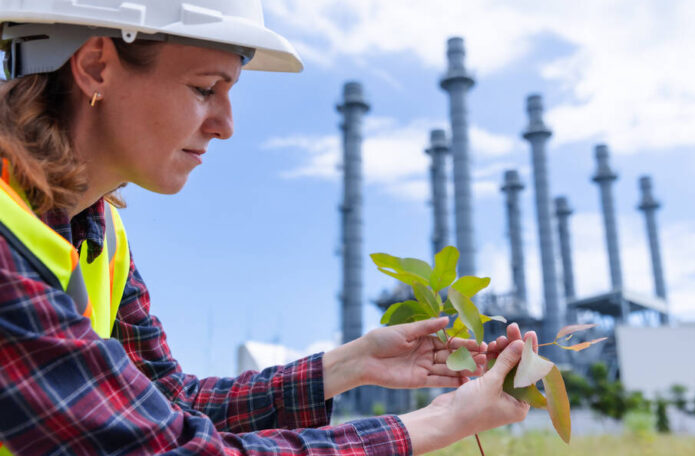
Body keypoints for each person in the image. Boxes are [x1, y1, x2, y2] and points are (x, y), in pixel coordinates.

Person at [0, 1, 538, 454]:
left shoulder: (98, 235)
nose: (226, 125)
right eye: (205, 88)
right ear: (96, 66)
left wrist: (352, 363)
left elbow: (171, 401)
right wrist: (437, 422)